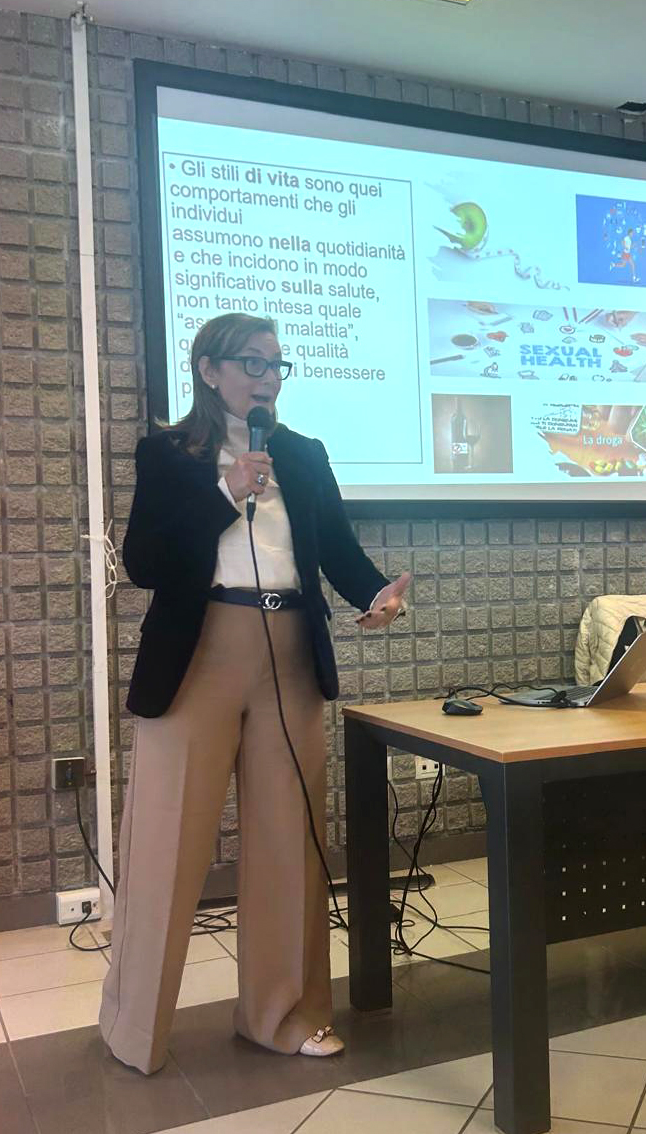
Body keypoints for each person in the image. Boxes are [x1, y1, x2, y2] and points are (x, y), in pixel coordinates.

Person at [99, 312, 409, 1074]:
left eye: (276, 365)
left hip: (289, 647)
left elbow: (337, 550)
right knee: (168, 838)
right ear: (208, 370)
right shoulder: (168, 452)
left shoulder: (302, 453)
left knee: (287, 838)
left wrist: (377, 595)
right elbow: (144, 562)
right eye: (251, 363)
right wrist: (224, 491)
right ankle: (135, 1026)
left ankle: (283, 1016)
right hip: (200, 647)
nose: (267, 378)